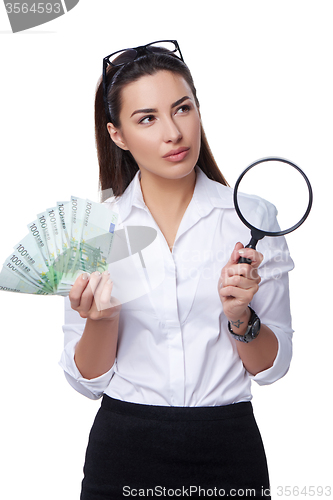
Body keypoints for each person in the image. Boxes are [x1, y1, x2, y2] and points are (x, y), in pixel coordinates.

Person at [59, 40, 294, 499]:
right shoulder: (93, 230)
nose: (173, 132)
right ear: (117, 134)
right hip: (123, 448)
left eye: (182, 109)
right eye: (147, 118)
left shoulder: (253, 220)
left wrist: (241, 318)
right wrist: (102, 320)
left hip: (228, 446)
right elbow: (88, 380)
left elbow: (271, 368)